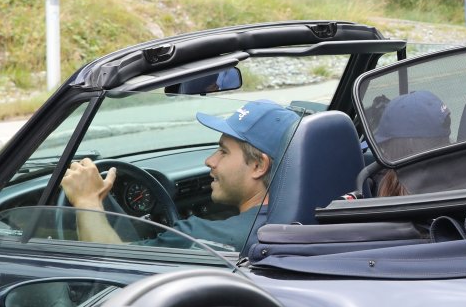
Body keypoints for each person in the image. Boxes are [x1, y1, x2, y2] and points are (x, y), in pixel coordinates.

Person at [60, 98, 299, 250]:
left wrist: (88, 200)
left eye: (223, 152)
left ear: (258, 165)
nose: (210, 161)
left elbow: (108, 264)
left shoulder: (203, 238)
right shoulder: (311, 220)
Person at [368, 90, 452, 196]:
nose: (384, 153)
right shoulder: (465, 175)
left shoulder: (386, 189)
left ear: (407, 147)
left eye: (386, 146)